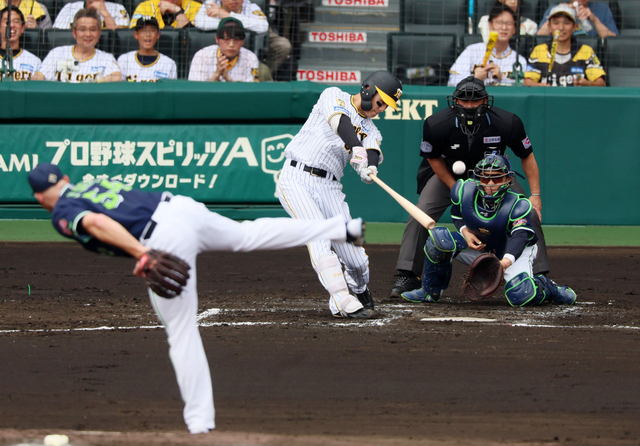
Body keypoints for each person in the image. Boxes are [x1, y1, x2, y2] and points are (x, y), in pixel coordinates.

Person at [27, 162, 366, 434]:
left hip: (160, 236)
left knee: (181, 332)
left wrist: (143, 253)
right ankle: (341, 228)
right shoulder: (89, 182)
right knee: (248, 233)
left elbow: (97, 221)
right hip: (182, 208)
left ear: (40, 198)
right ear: (66, 178)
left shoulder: (61, 208)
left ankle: (199, 422)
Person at [389, 76, 549, 298]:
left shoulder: (507, 122)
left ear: (486, 101)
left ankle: (539, 274)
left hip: (496, 176)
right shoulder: (436, 124)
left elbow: (527, 156)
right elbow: (433, 159)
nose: (470, 106)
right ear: (455, 101)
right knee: (420, 214)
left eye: (476, 101)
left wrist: (535, 195)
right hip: (449, 177)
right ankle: (408, 274)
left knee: (528, 212)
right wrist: (457, 189)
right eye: (464, 101)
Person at [277, 70, 403, 319]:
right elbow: (340, 122)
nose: (380, 109)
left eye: (385, 106)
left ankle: (359, 289)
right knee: (319, 238)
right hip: (296, 179)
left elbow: (372, 151)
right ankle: (342, 300)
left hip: (330, 187)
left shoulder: (372, 130)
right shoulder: (333, 95)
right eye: (380, 102)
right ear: (368, 90)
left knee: (356, 260)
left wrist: (369, 167)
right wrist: (356, 147)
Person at [401, 153, 576, 307]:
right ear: (477, 179)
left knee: (521, 294)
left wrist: (503, 264)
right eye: (485, 178)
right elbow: (456, 213)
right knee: (438, 240)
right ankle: (430, 291)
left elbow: (520, 237)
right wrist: (464, 231)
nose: (490, 184)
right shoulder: (462, 190)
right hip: (480, 246)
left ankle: (548, 287)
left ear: (508, 180)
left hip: (513, 253)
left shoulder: (520, 205)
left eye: (497, 178)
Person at [193, 0, 290, 80]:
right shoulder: (211, 3)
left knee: (281, 47)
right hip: (218, 49)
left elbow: (263, 26)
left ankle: (259, 75)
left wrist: (227, 15)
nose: (233, 0)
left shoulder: (251, 6)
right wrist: (234, 26)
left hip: (250, 48)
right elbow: (200, 22)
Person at [524, 4, 605, 87]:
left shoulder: (586, 51)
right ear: (549, 27)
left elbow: (601, 83)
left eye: (566, 23)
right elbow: (527, 82)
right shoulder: (539, 50)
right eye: (556, 23)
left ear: (574, 27)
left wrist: (587, 84)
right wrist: (541, 86)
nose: (561, 27)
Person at [32, 8, 122, 82]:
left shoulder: (106, 58)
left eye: (93, 29)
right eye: (82, 29)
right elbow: (37, 78)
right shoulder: (57, 53)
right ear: (74, 33)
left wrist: (94, 82)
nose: (88, 34)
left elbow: (117, 77)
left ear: (99, 33)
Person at [449, 4, 528, 86]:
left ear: (514, 29)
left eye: (508, 23)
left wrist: (502, 79)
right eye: (499, 22)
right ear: (490, 26)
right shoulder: (472, 50)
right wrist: (473, 78)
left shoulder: (519, 61)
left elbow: (521, 89)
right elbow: (452, 81)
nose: (504, 27)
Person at [188, 16, 258, 82]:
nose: (231, 45)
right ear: (217, 40)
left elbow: (252, 92)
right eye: (226, 39)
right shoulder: (202, 56)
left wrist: (228, 79)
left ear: (242, 41)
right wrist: (216, 75)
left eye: (236, 39)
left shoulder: (250, 58)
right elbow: (194, 91)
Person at [117, 16, 177, 81]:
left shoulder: (169, 64)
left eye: (152, 30)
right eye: (143, 30)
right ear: (136, 34)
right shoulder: (124, 60)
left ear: (158, 35)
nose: (148, 34)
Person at [0, 6, 41, 81]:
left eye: (16, 21)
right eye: (7, 21)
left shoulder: (34, 61)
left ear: (22, 28)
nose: (11, 25)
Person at [537, 0, 618, 38]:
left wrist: (594, 20)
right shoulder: (555, 8)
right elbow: (539, 36)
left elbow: (613, 40)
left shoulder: (602, 9)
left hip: (591, 54)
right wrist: (558, 12)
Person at [53, 0, 130, 30]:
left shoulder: (118, 9)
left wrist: (104, 13)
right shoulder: (69, 8)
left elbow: (119, 38)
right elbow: (58, 37)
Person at [130, 0, 201, 29]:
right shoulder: (145, 6)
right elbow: (134, 34)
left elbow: (194, 39)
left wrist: (178, 12)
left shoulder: (197, 7)